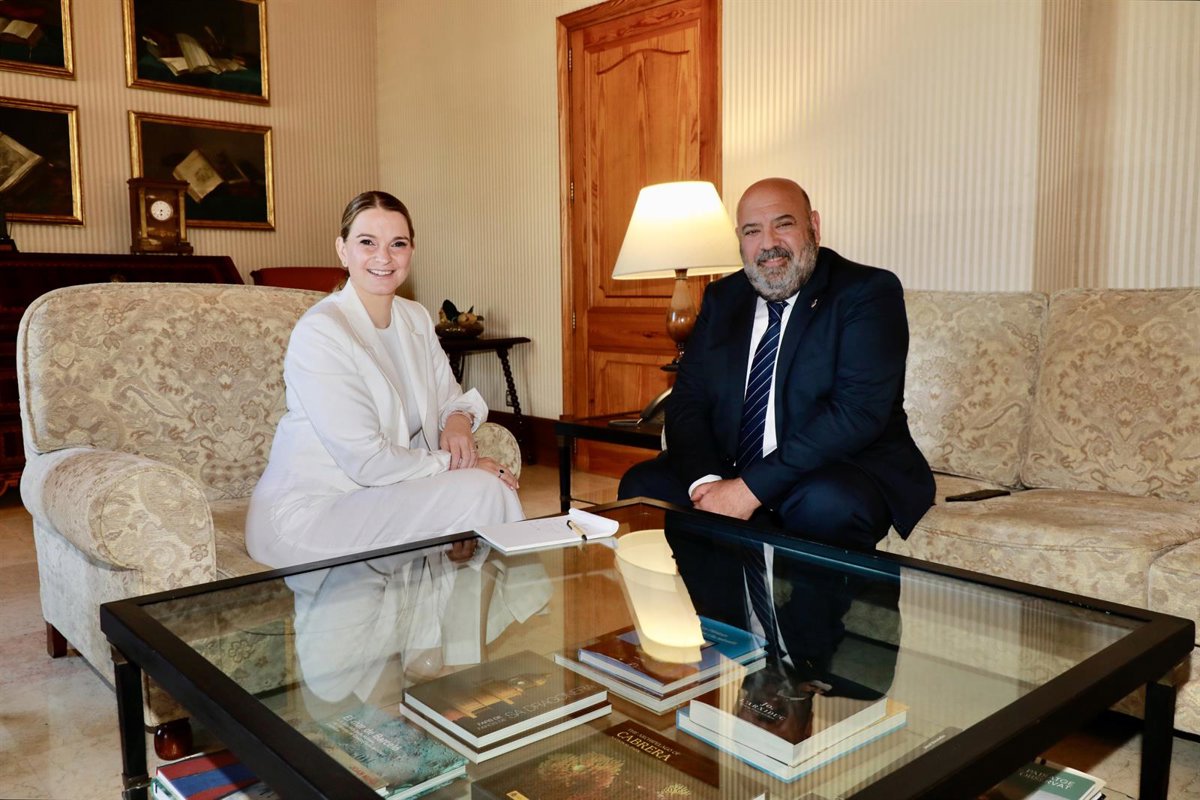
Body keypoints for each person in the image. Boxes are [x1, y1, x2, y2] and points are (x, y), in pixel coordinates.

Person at [619, 178, 934, 549]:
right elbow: (688, 400)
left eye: (783, 224)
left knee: (824, 504)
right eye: (752, 231)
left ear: (813, 226)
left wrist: (748, 491)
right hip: (733, 466)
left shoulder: (866, 292)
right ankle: (711, 588)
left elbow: (856, 414)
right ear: (740, 239)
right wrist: (707, 485)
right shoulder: (723, 298)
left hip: (838, 464)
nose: (768, 244)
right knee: (643, 484)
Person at [246, 190, 523, 568]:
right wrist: (456, 465)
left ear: (411, 251)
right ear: (342, 250)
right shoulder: (321, 332)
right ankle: (526, 598)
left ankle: (499, 596)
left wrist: (458, 420)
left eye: (398, 244)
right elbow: (368, 461)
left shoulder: (415, 317)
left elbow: (449, 396)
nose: (384, 257)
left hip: (381, 495)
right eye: (367, 242)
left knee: (487, 490)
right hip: (310, 512)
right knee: (483, 489)